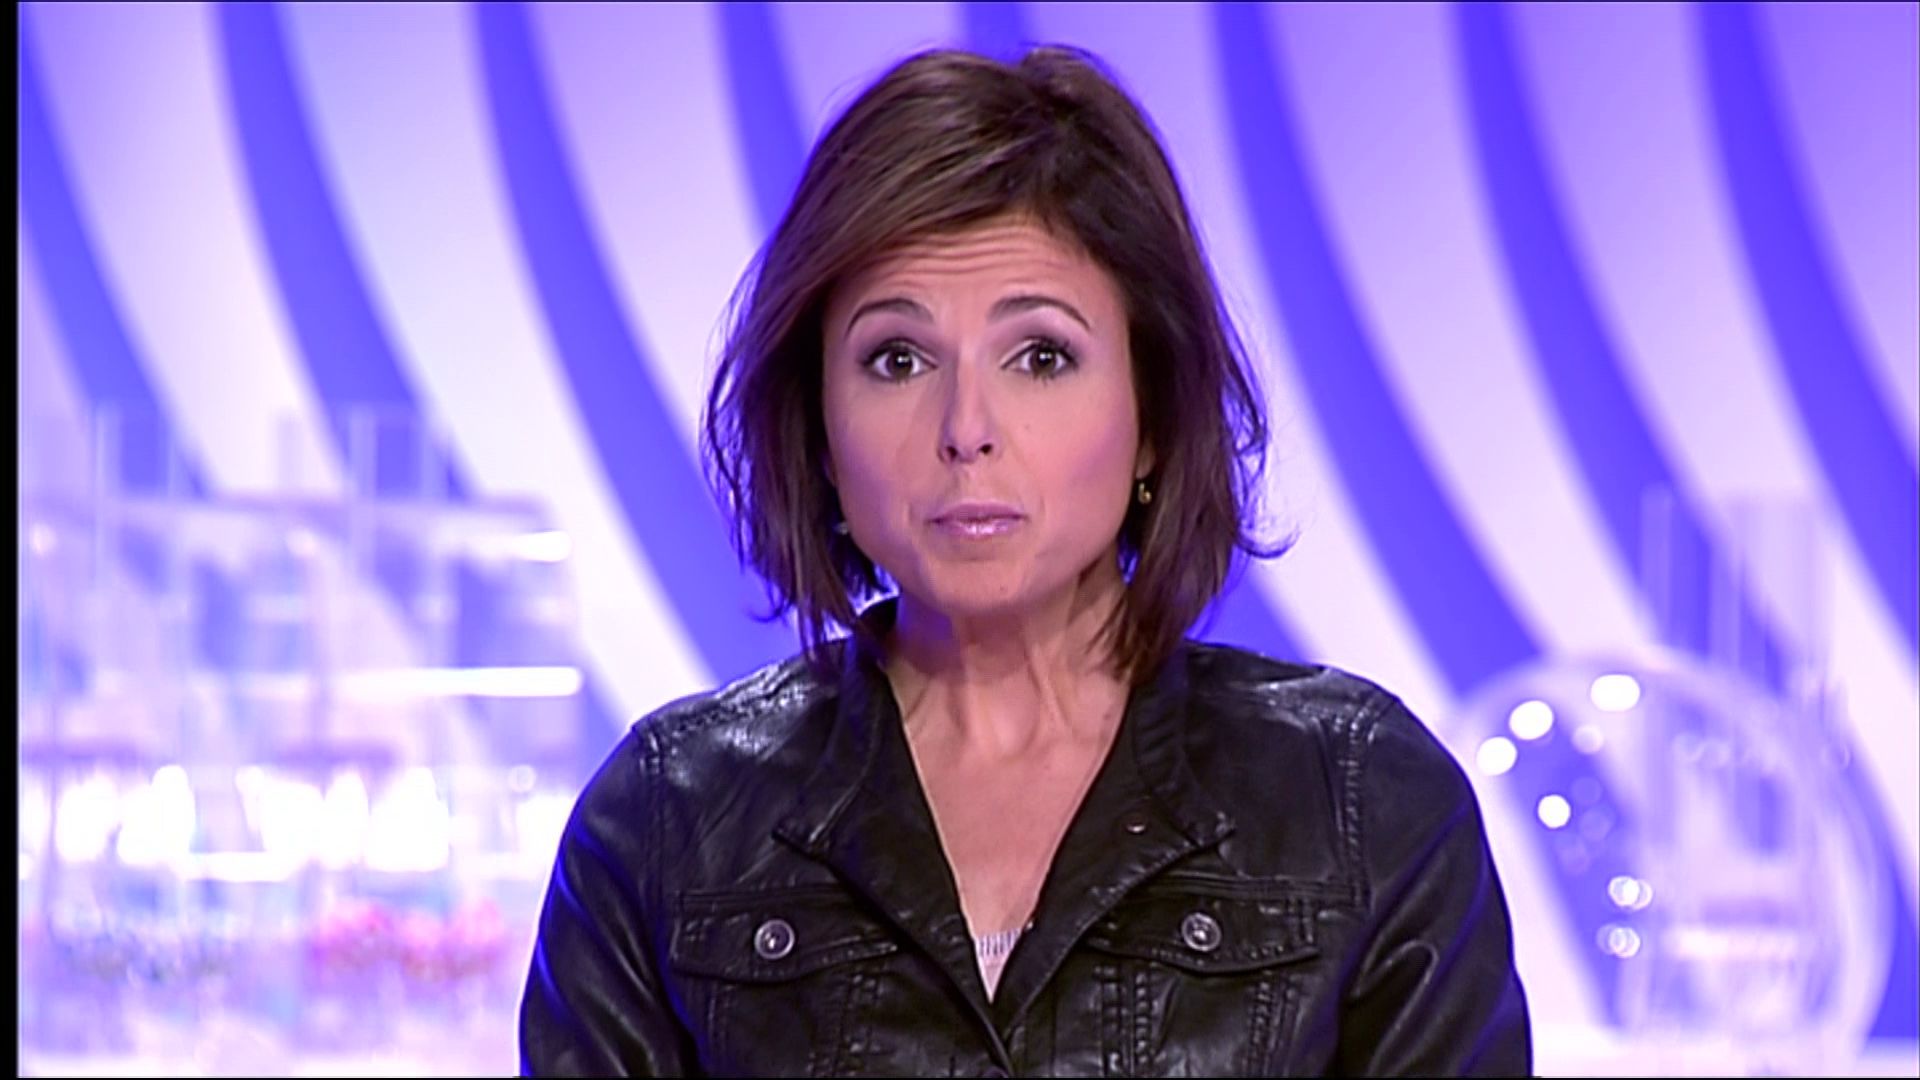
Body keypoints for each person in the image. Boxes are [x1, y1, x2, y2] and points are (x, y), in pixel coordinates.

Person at [519, 44, 1530, 1077]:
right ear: (817, 428)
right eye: (897, 359)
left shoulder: (1362, 800)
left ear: (1151, 417)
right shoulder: (665, 820)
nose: (966, 429)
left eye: (1041, 356)